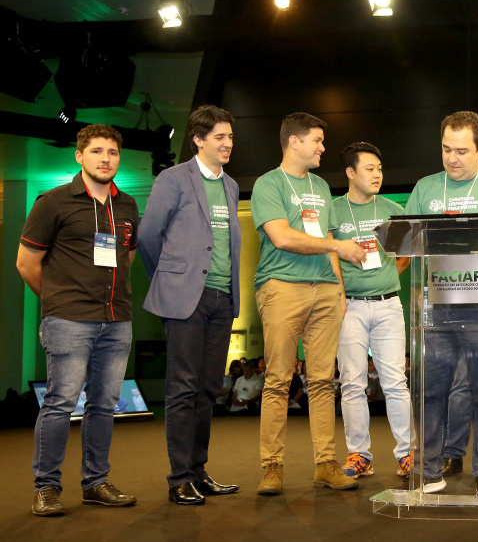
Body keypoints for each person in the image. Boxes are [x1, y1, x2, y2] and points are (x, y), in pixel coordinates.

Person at [17, 124, 139, 516]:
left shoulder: (128, 206)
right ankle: (46, 487)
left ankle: (96, 482)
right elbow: (26, 263)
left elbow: (127, 258)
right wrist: (56, 301)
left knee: (104, 405)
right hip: (68, 320)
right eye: (97, 151)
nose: (106, 159)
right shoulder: (51, 202)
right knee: (59, 404)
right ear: (79, 155)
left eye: (113, 152)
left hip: (117, 320)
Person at [404, 111, 478, 496]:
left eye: (461, 151)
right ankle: (427, 469)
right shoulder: (425, 187)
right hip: (435, 305)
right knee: (431, 391)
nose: (452, 158)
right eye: (446, 149)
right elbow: (406, 241)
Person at [251, 112, 365, 495]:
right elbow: (281, 237)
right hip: (282, 287)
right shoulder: (268, 184)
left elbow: (328, 234)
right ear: (294, 142)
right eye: (316, 140)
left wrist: (339, 288)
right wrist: (337, 247)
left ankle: (326, 464)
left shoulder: (320, 185)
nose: (322, 148)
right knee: (278, 380)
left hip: (325, 290)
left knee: (322, 380)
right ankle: (272, 467)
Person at [137, 104, 242, 505]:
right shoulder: (173, 178)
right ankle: (178, 477)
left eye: (230, 137)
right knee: (181, 387)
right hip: (185, 299)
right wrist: (169, 280)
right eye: (219, 137)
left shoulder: (231, 186)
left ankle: (198, 472)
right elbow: (148, 237)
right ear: (198, 140)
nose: (227, 143)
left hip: (222, 297)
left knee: (208, 389)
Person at [331, 142, 412, 480]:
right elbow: (329, 255)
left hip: (389, 305)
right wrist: (341, 294)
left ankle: (407, 454)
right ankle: (358, 455)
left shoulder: (393, 209)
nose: (377, 174)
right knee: (352, 382)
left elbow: (408, 252)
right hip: (348, 308)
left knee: (396, 381)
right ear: (351, 173)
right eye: (369, 168)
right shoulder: (332, 211)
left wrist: (386, 277)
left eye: (380, 168)